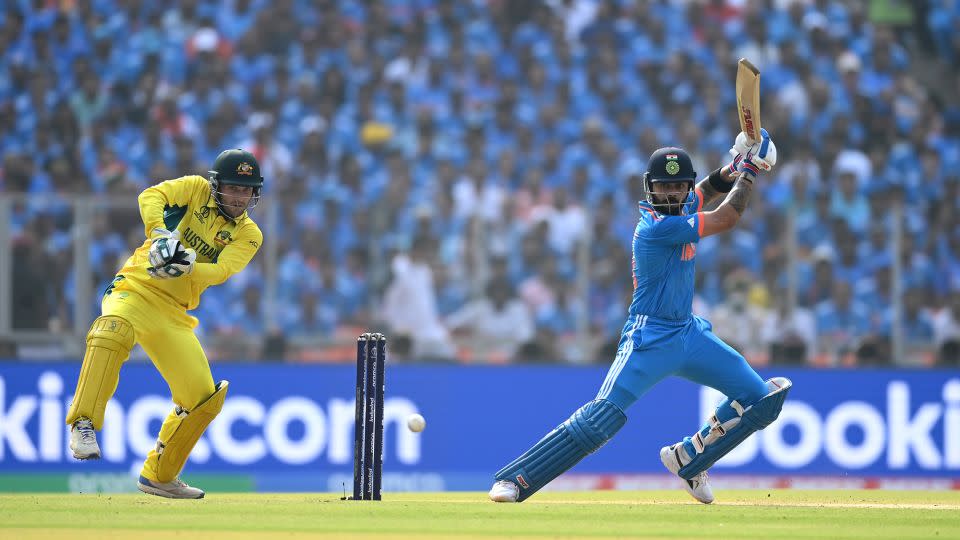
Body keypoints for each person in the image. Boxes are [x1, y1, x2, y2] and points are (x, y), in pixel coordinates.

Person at [489, 130, 791, 504]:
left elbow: (706, 189)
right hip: (649, 339)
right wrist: (751, 169)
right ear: (650, 188)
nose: (672, 194)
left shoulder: (682, 207)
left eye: (679, 187)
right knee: (601, 419)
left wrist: (733, 166)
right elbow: (727, 216)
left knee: (760, 399)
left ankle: (689, 457)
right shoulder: (656, 227)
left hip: (689, 333)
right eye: (664, 187)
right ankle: (515, 479)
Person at [65, 149, 265, 499]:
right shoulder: (194, 188)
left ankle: (159, 475)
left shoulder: (250, 234)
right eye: (233, 188)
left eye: (247, 191)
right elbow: (150, 195)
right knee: (112, 329)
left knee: (202, 397)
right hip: (136, 288)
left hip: (174, 310)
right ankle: (83, 423)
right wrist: (160, 235)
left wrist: (184, 263)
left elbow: (221, 270)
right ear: (217, 185)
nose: (240, 197)